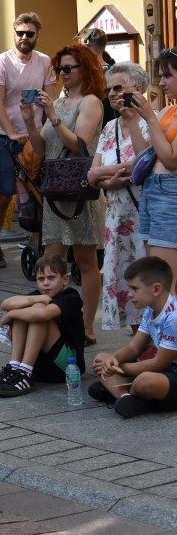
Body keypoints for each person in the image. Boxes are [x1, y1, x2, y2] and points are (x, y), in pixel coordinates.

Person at [22, 44, 106, 345]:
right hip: (56, 190)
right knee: (51, 261)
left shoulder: (91, 102)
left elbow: (78, 145)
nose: (62, 73)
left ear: (85, 69)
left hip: (80, 190)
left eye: (68, 68)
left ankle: (86, 327)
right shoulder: (58, 101)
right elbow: (43, 148)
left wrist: (53, 115)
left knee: (85, 261)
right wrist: (32, 121)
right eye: (60, 69)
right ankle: (53, 321)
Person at [0, 12, 56, 268]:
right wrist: (12, 132)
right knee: (5, 192)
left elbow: (50, 101)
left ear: (37, 35)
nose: (24, 38)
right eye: (20, 33)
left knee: (39, 192)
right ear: (14, 34)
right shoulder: (1, 61)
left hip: (35, 136)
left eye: (29, 33)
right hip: (5, 137)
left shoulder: (45, 62)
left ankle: (40, 243)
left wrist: (49, 129)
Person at [87, 62, 150, 333]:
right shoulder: (109, 127)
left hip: (144, 219)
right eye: (109, 89)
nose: (112, 94)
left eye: (118, 88)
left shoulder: (152, 121)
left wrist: (106, 174)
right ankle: (138, 346)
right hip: (115, 222)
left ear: (137, 89)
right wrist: (117, 174)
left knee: (147, 282)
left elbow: (143, 163)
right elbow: (92, 176)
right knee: (125, 282)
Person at [0, 254, 85, 397]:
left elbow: (43, 315)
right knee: (28, 309)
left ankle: (25, 372)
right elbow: (5, 303)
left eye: (51, 278)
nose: (45, 283)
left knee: (35, 311)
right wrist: (36, 299)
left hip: (68, 369)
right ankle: (15, 367)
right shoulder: (38, 295)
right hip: (40, 369)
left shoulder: (71, 297)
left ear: (65, 279)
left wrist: (11, 314)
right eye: (41, 279)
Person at [90, 257, 177, 418]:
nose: (129, 294)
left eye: (134, 288)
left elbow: (160, 363)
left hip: (168, 372)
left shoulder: (173, 317)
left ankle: (124, 391)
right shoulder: (151, 309)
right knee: (101, 359)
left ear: (156, 289)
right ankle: (126, 398)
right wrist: (113, 359)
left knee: (145, 381)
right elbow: (134, 348)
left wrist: (119, 369)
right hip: (163, 372)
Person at [127, 48, 177, 295]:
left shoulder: (163, 114)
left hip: (170, 196)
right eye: (160, 76)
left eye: (168, 75)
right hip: (153, 193)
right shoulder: (169, 110)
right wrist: (133, 119)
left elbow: (170, 159)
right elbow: (143, 157)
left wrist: (150, 118)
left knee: (164, 283)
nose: (162, 82)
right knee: (155, 277)